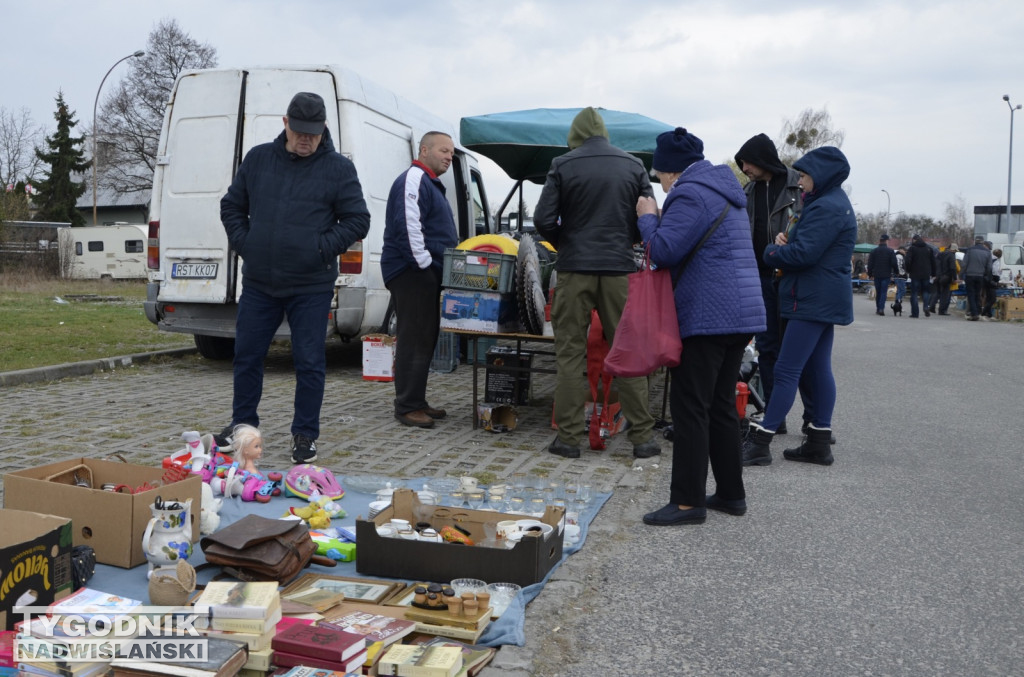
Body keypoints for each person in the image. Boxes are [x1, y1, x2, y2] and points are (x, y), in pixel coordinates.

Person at [220, 92, 371, 463]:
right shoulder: (258, 159)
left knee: (309, 362)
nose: (307, 139)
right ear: (285, 123)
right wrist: (247, 244)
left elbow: (358, 220)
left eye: (314, 133)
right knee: (247, 356)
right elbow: (232, 206)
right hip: (260, 283)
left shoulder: (338, 168)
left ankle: (305, 434)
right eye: (300, 131)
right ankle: (243, 428)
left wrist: (320, 248)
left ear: (324, 128)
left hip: (311, 286)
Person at [638, 128, 766, 526]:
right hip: (739, 314)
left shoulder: (689, 194)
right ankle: (730, 493)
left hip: (708, 316)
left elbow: (662, 251)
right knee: (721, 405)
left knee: (691, 407)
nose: (659, 182)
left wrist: (647, 218)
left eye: (659, 174)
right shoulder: (725, 191)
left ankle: (686, 502)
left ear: (671, 170)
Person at [534, 107, 660, 460]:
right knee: (628, 352)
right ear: (605, 133)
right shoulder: (634, 165)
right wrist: (627, 240)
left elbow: (543, 218)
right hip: (619, 269)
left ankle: (568, 440)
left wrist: (566, 242)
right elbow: (648, 212)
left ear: (575, 136)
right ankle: (643, 440)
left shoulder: (563, 164)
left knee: (570, 354)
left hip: (575, 269)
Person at [741, 146, 857, 467]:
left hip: (811, 298)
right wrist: (788, 242)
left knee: (786, 369)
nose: (800, 181)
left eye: (804, 176)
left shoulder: (826, 207)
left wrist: (771, 252)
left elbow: (805, 255)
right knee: (818, 368)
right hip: (819, 297)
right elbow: (809, 247)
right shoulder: (829, 203)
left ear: (820, 175)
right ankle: (818, 442)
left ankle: (761, 442)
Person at [381, 132, 459, 428]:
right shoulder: (413, 179)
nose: (449, 157)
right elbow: (408, 224)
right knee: (414, 338)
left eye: (451, 153)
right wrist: (424, 265)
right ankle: (406, 406)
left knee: (425, 337)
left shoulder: (430, 183)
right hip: (412, 271)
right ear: (424, 150)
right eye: (443, 150)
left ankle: (416, 400)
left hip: (424, 272)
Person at [734, 133, 802, 432]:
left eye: (747, 162)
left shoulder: (798, 186)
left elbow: (810, 225)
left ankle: (813, 420)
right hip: (758, 278)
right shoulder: (747, 191)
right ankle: (775, 416)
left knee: (799, 351)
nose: (744, 168)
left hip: (790, 277)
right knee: (768, 346)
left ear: (762, 159)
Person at [961, 236, 993, 321]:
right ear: (983, 242)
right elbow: (989, 267)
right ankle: (977, 312)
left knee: (971, 294)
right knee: (977, 294)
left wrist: (961, 274)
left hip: (970, 275)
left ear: (975, 241)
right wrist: (985, 274)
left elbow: (964, 264)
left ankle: (974, 313)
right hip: (980, 276)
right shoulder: (987, 252)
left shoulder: (970, 250)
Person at [904, 234, 936, 318]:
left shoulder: (912, 248)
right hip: (926, 273)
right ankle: (926, 306)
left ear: (914, 240)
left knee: (914, 293)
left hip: (915, 273)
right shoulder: (929, 249)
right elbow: (933, 262)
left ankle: (915, 313)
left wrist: (908, 270)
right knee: (926, 291)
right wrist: (933, 273)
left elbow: (907, 260)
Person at [867, 233, 897, 316]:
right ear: (886, 241)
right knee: (884, 292)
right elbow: (894, 263)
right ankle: (881, 308)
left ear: (880, 241)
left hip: (877, 274)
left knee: (879, 292)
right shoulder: (890, 251)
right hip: (886, 274)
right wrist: (896, 272)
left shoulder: (874, 251)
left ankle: (878, 308)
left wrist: (870, 274)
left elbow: (870, 264)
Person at [935, 243, 959, 315]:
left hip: (939, 276)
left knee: (940, 293)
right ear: (953, 250)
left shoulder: (941, 254)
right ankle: (942, 310)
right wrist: (955, 278)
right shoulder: (951, 256)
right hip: (947, 277)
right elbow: (953, 267)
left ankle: (938, 309)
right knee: (945, 295)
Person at [982, 247, 1003, 319]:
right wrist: (998, 278)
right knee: (992, 299)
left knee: (988, 297)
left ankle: (989, 313)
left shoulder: (989, 259)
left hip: (986, 279)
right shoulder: (996, 261)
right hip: (992, 280)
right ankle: (983, 312)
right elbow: (995, 271)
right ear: (1000, 255)